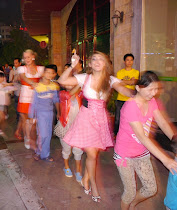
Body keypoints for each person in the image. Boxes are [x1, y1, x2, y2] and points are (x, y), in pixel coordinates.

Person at [58, 51, 134, 202]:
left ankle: (86, 177)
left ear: (106, 63)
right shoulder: (84, 78)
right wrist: (72, 66)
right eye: (94, 59)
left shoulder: (111, 79)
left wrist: (135, 95)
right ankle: (93, 184)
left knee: (94, 153)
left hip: (101, 119)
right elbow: (62, 81)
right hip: (85, 118)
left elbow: (123, 89)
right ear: (90, 64)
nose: (98, 61)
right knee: (92, 154)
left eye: (101, 59)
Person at [114, 71, 177, 210]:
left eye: (156, 89)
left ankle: (133, 204)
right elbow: (142, 137)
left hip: (142, 153)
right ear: (139, 88)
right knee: (129, 193)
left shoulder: (152, 102)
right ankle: (129, 203)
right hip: (124, 155)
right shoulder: (130, 106)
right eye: (151, 89)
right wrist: (166, 159)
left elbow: (163, 123)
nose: (154, 93)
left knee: (151, 189)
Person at [54, 64, 83, 182]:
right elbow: (70, 95)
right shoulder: (62, 94)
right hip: (65, 125)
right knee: (66, 148)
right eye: (67, 82)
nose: (69, 84)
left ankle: (78, 169)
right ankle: (66, 166)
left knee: (78, 149)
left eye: (71, 81)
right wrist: (82, 82)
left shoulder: (81, 94)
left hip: (79, 126)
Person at [14, 50, 44, 149]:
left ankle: (32, 138)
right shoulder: (22, 69)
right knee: (25, 119)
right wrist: (33, 83)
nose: (27, 59)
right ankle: (28, 137)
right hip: (25, 95)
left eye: (28, 57)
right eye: (25, 57)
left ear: (33, 57)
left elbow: (45, 79)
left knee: (34, 121)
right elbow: (23, 77)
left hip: (36, 96)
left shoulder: (40, 69)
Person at [29, 65, 60, 161]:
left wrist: (59, 112)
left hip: (50, 113)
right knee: (43, 134)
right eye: (47, 72)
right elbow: (33, 102)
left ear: (55, 74)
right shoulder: (37, 86)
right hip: (40, 113)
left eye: (52, 73)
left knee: (48, 134)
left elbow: (56, 100)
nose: (49, 74)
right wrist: (31, 116)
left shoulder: (54, 86)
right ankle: (42, 154)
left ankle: (42, 153)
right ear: (43, 73)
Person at [114, 53, 139, 135]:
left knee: (130, 118)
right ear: (124, 61)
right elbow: (119, 83)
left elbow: (135, 82)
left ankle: (128, 134)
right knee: (118, 118)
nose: (129, 62)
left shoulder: (136, 72)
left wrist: (124, 81)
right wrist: (130, 82)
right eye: (127, 60)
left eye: (131, 60)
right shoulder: (119, 72)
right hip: (120, 98)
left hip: (131, 99)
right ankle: (117, 135)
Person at [11, 58, 21, 123]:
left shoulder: (22, 71)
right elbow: (13, 81)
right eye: (14, 63)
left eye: (16, 63)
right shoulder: (14, 71)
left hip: (21, 92)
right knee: (16, 106)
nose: (15, 64)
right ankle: (18, 118)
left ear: (20, 63)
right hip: (16, 91)